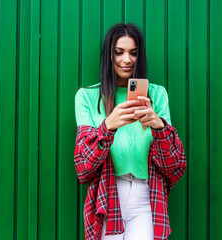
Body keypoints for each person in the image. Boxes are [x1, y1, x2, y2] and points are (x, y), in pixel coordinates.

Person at [74, 23, 186, 240]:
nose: (127, 59)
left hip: (146, 197)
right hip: (108, 196)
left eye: (133, 53)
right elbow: (83, 167)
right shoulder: (86, 97)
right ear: (109, 54)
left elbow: (174, 167)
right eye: (119, 52)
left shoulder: (157, 95)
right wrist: (107, 127)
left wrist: (159, 127)